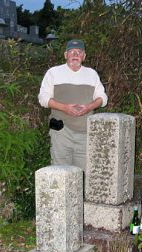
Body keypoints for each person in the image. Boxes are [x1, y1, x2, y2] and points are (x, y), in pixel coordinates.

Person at [38, 39, 108, 171]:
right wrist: (65, 108)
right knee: (60, 173)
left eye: (79, 52)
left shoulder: (91, 74)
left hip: (85, 132)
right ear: (65, 55)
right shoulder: (53, 73)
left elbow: (103, 98)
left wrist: (89, 107)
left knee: (83, 174)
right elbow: (43, 99)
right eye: (71, 52)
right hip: (60, 131)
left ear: (84, 56)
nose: (75, 55)